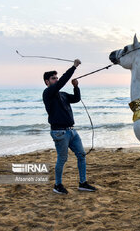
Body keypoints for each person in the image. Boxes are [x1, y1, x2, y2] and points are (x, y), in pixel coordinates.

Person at [42, 59, 96, 194]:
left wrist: (76, 87)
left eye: (56, 78)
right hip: (59, 132)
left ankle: (83, 183)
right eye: (53, 78)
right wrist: (74, 67)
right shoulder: (47, 93)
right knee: (62, 159)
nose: (56, 80)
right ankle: (57, 185)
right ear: (47, 82)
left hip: (72, 132)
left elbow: (76, 99)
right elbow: (61, 82)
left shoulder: (63, 95)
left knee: (81, 155)